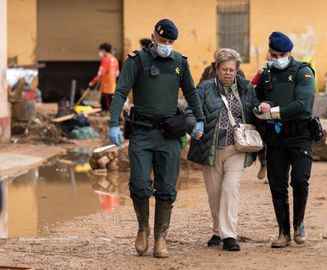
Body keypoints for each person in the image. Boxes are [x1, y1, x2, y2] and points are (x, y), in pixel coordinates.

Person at [108, 18, 205, 258]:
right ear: (153, 37)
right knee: (139, 185)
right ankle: (143, 228)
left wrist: (200, 119)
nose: (166, 45)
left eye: (170, 42)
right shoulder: (137, 61)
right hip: (141, 132)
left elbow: (191, 92)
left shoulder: (179, 63)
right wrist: (113, 124)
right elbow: (120, 91)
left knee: (167, 188)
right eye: (162, 41)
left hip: (169, 134)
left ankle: (161, 238)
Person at [188, 48, 258, 251]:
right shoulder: (204, 88)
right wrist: (193, 125)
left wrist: (264, 107)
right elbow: (191, 110)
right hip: (210, 148)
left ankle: (229, 236)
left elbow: (255, 106)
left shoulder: (245, 88)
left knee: (230, 188)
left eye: (232, 69)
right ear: (216, 69)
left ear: (237, 70)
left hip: (237, 148)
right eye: (224, 69)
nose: (228, 73)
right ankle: (218, 231)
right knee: (215, 193)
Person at [254, 32, 315, 248]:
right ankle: (283, 232)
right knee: (277, 185)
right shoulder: (265, 75)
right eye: (273, 54)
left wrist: (273, 112)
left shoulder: (303, 72)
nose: (277, 58)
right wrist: (259, 107)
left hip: (300, 135)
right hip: (276, 137)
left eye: (281, 54)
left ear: (289, 53)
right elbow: (257, 99)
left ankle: (299, 224)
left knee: (299, 179)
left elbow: (302, 105)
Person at [89, 42, 120, 111]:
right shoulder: (115, 59)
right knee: (109, 101)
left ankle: (112, 117)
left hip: (106, 86)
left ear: (103, 50)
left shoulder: (105, 60)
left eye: (100, 51)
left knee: (108, 104)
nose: (99, 53)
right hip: (113, 85)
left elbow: (100, 73)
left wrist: (92, 82)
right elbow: (117, 73)